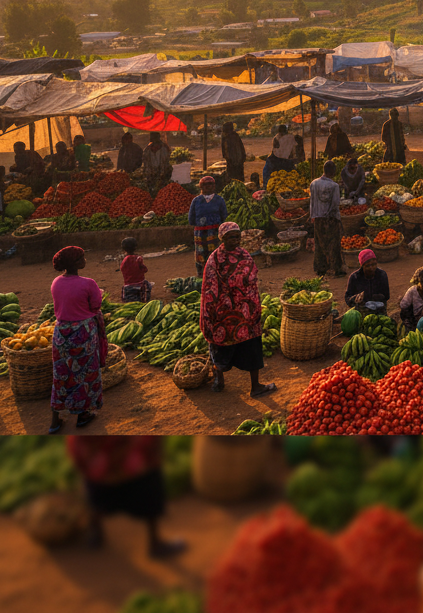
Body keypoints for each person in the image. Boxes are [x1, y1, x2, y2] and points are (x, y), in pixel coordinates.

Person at [66, 437, 185, 558]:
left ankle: (95, 533)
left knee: (97, 497)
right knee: (149, 493)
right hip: (130, 464)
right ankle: (155, 544)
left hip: (103, 466)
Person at [200, 222, 276, 397]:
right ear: (222, 238)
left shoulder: (244, 255)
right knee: (219, 345)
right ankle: (219, 379)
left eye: (237, 237)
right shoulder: (214, 259)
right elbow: (210, 286)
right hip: (222, 311)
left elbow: (251, 276)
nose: (235, 240)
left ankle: (256, 386)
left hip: (245, 311)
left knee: (251, 347)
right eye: (231, 237)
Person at [48, 246, 105, 434]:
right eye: (82, 257)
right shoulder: (88, 283)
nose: (85, 260)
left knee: (61, 374)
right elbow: (95, 306)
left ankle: (55, 420)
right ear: (76, 263)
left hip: (61, 333)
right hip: (83, 334)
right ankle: (82, 415)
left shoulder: (56, 282)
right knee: (85, 374)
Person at [188, 176, 228, 277]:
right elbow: (191, 218)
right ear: (201, 187)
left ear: (214, 186)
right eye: (205, 185)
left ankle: (216, 273)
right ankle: (201, 275)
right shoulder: (196, 201)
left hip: (214, 231)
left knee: (215, 252)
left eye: (210, 184)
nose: (208, 187)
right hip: (200, 232)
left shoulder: (219, 200)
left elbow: (224, 215)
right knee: (200, 253)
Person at [310, 160, 343, 277]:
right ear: (333, 172)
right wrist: (336, 219)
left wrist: (312, 216)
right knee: (334, 244)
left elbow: (312, 202)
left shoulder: (313, 183)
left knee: (319, 244)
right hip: (330, 218)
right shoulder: (334, 186)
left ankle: (320, 268)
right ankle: (336, 269)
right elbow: (335, 204)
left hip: (318, 218)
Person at [119, 237, 151, 303]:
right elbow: (144, 269)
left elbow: (123, 269)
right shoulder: (138, 258)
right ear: (135, 247)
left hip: (128, 285)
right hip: (140, 284)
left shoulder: (123, 260)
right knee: (148, 286)